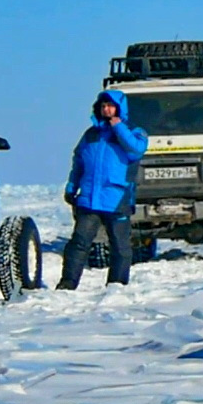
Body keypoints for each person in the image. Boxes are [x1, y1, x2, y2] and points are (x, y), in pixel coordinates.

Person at [58, 89, 149, 289]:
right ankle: (67, 284)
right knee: (79, 243)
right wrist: (72, 186)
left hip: (117, 198)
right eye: (103, 106)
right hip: (89, 199)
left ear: (119, 108)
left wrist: (118, 128)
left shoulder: (133, 131)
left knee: (120, 246)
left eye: (110, 106)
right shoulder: (91, 135)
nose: (106, 109)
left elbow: (136, 150)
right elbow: (79, 161)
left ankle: (117, 286)